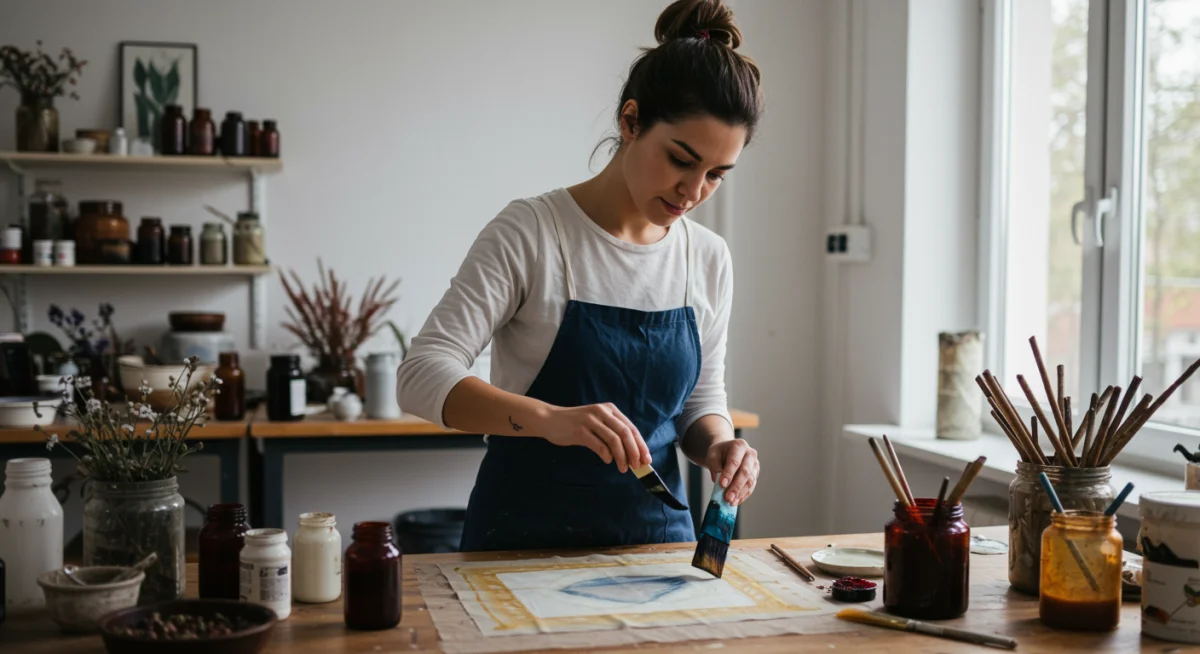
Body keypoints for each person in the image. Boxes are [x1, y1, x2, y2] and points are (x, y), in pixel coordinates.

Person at [396, 0, 764, 553]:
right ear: (631, 121)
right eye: (681, 159)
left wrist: (718, 447)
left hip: (656, 546)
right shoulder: (533, 232)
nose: (694, 191)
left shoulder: (707, 257)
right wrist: (549, 420)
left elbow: (700, 401)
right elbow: (421, 375)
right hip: (521, 544)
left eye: (716, 174)